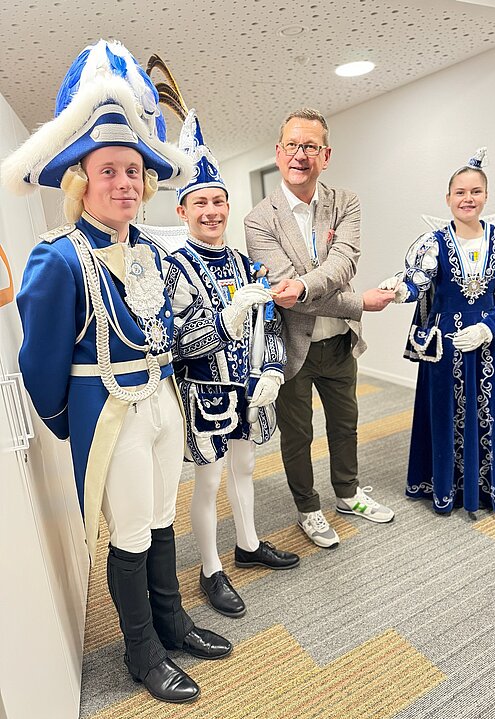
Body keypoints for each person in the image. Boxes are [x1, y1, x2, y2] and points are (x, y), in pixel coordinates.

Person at [1, 41, 232, 705]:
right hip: (109, 414)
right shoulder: (58, 258)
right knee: (129, 535)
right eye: (110, 171)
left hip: (160, 402)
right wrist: (78, 424)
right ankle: (142, 650)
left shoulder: (149, 251)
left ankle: (173, 621)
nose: (126, 182)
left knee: (162, 519)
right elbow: (40, 366)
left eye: (133, 170)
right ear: (82, 179)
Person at [160, 109, 300, 619]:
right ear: (182, 210)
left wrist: (273, 369)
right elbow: (171, 345)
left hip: (250, 392)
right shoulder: (172, 268)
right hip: (205, 395)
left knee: (246, 468)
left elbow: (273, 326)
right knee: (210, 480)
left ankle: (248, 543)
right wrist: (225, 317)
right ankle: (211, 569)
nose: (213, 211)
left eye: (219, 201)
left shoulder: (245, 262)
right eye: (201, 203)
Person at [245, 108, 395, 549]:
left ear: (325, 155)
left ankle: (348, 495)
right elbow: (281, 290)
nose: (300, 155)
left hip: (339, 342)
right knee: (298, 434)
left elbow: (343, 261)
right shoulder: (259, 218)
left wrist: (305, 286)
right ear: (278, 151)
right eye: (292, 145)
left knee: (346, 422)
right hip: (293, 346)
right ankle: (308, 508)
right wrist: (360, 301)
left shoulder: (345, 202)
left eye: (310, 146)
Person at [378, 148, 495, 519]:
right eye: (460, 192)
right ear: (448, 199)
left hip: (488, 341)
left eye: (475, 191)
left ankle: (491, 489)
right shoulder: (433, 241)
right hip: (445, 346)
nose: (468, 199)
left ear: (486, 196)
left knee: (491, 412)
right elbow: (419, 282)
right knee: (445, 410)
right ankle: (447, 487)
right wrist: (400, 290)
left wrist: (487, 326)